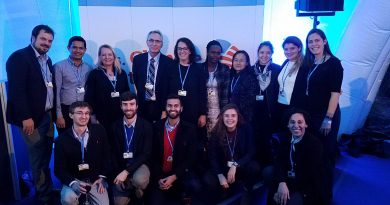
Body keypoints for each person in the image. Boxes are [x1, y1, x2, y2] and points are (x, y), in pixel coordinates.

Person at [6, 24, 55, 204]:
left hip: (47, 117)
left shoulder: (47, 60)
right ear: (33, 37)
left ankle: (47, 190)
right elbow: (17, 91)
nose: (46, 43)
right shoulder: (19, 57)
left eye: (50, 41)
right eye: (43, 39)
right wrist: (26, 117)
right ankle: (44, 198)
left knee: (45, 157)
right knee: (37, 159)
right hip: (31, 119)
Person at [303, 28, 343, 204]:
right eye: (310, 42)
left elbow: (335, 93)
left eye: (317, 40)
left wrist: (328, 119)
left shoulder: (334, 63)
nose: (314, 44)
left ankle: (325, 198)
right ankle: (312, 193)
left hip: (326, 116)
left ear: (325, 41)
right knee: (313, 156)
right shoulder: (311, 62)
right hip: (311, 116)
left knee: (325, 157)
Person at [54, 101, 110, 205]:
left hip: (95, 181)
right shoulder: (61, 140)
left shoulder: (99, 131)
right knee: (67, 199)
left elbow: (106, 156)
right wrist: (73, 183)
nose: (84, 116)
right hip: (75, 180)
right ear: (71, 115)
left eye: (86, 113)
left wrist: (102, 178)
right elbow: (59, 169)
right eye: (79, 113)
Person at [149, 94, 201, 205]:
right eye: (169, 106)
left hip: (179, 173)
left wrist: (174, 176)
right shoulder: (156, 127)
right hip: (160, 174)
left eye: (176, 106)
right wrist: (158, 178)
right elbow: (152, 156)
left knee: (195, 186)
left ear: (181, 108)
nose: (173, 108)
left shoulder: (190, 129)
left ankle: (183, 195)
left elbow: (191, 158)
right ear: (165, 107)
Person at [207, 103, 260, 204]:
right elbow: (212, 157)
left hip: (240, 166)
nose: (230, 118)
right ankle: (221, 194)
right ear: (222, 117)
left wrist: (236, 165)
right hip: (223, 167)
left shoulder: (246, 128)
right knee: (208, 179)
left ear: (238, 117)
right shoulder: (216, 132)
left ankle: (247, 190)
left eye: (233, 115)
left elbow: (251, 151)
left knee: (254, 167)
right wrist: (220, 175)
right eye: (226, 116)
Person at [273, 108, 324, 205]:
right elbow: (278, 162)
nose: (296, 125)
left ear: (306, 124)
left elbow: (308, 175)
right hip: (289, 178)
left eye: (300, 122)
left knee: (289, 201)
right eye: (292, 122)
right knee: (269, 172)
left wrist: (286, 189)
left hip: (305, 186)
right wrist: (282, 182)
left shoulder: (315, 145)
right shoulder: (285, 139)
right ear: (288, 125)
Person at [111, 91, 152, 205]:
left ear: (137, 106)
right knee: (119, 203)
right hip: (121, 165)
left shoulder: (146, 126)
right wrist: (117, 172)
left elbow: (146, 154)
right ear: (121, 106)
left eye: (132, 104)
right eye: (125, 104)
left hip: (140, 164)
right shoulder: (115, 126)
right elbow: (113, 152)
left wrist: (126, 173)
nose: (128, 108)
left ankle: (132, 187)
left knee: (139, 180)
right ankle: (134, 189)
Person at [84, 44, 130, 135]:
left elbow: (127, 94)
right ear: (100, 57)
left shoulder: (121, 73)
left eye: (109, 54)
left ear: (114, 56)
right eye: (103, 55)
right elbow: (89, 97)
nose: (107, 57)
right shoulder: (94, 74)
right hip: (102, 117)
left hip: (120, 115)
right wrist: (92, 117)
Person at [132, 30, 173, 123]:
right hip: (142, 105)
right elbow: (136, 81)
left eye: (158, 41)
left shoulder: (169, 63)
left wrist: (164, 109)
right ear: (147, 42)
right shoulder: (138, 60)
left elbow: (169, 88)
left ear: (162, 44)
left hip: (160, 106)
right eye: (151, 40)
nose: (154, 43)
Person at [54, 36, 93, 134]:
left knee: (84, 140)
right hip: (66, 110)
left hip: (84, 110)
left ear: (85, 50)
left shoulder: (89, 68)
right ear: (68, 48)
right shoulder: (59, 66)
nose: (78, 51)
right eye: (74, 47)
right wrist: (59, 116)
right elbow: (56, 92)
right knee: (67, 142)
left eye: (81, 48)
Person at [167, 37, 207, 128]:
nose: (182, 51)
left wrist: (203, 114)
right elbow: (165, 90)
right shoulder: (170, 67)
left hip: (193, 112)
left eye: (185, 48)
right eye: (179, 48)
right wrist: (164, 110)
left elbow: (202, 93)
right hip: (173, 111)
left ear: (190, 51)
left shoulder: (198, 69)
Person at [276, 36, 308, 132]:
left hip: (295, 108)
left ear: (299, 48)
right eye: (286, 49)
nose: (288, 51)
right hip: (280, 104)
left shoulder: (305, 65)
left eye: (292, 48)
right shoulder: (286, 62)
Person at [202, 40, 230, 137]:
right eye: (213, 52)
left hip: (219, 110)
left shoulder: (225, 69)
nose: (215, 55)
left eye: (218, 53)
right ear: (207, 52)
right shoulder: (200, 68)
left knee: (217, 138)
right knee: (203, 137)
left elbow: (226, 95)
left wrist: (224, 113)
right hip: (203, 110)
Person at [229, 50, 258, 123]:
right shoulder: (231, 76)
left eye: (241, 60)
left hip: (243, 117)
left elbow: (250, 101)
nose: (238, 63)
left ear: (247, 63)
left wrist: (237, 112)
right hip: (230, 114)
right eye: (236, 60)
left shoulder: (250, 77)